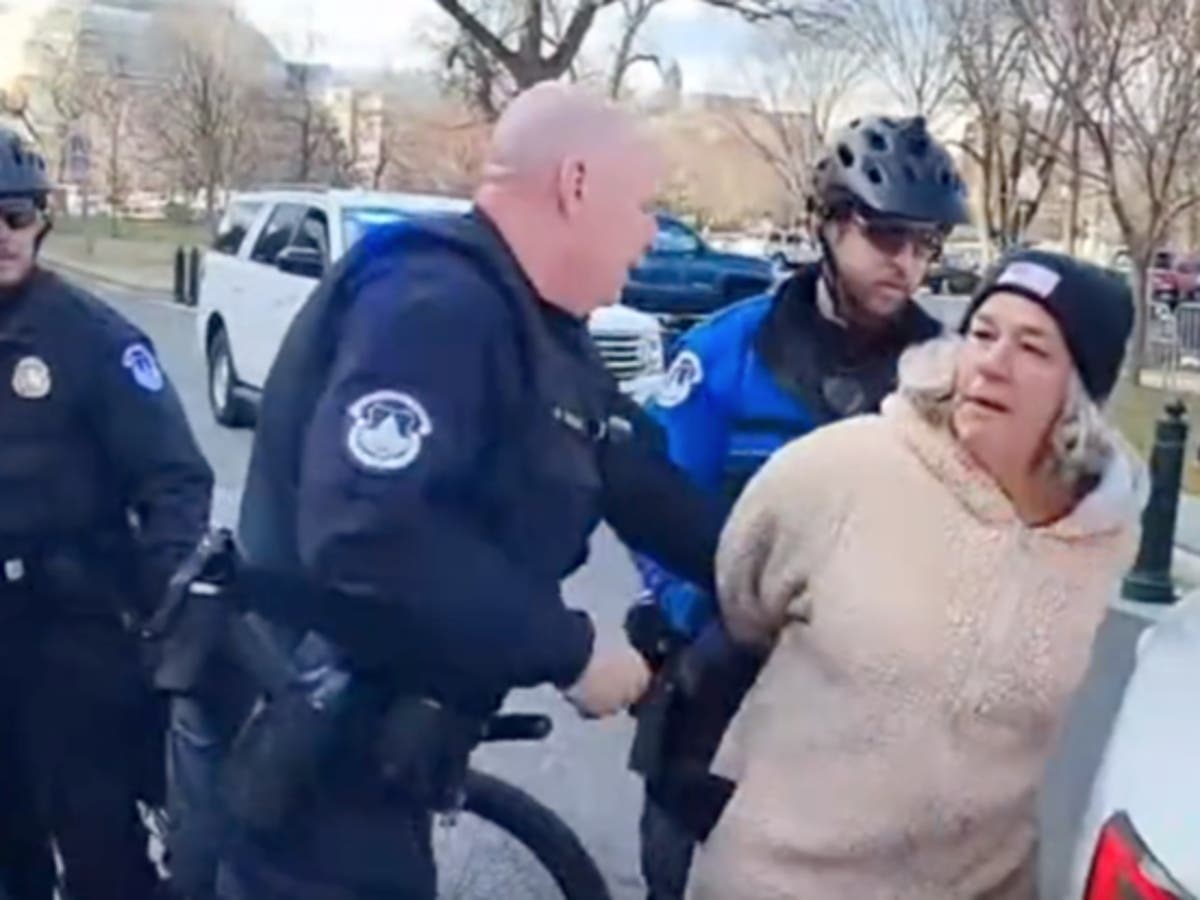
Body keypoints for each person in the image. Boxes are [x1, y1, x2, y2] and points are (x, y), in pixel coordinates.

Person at [215, 82, 727, 899]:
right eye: (643, 206)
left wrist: (763, 567)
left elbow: (630, 473)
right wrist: (570, 648)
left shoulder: (539, 329)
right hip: (320, 770)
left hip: (388, 764)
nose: (651, 235)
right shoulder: (433, 304)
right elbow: (366, 533)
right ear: (577, 184)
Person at [687, 250, 1145, 899]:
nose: (992, 362)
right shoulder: (842, 470)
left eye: (1033, 348)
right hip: (778, 879)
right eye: (982, 334)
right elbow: (743, 594)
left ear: (1080, 396)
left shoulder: (1107, 546)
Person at [630, 114, 970, 899]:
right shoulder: (725, 350)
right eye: (888, 236)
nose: (909, 264)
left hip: (870, 699)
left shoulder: (947, 377)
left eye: (927, 245)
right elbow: (654, 500)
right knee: (677, 870)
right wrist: (691, 614)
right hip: (722, 670)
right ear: (828, 223)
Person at [0, 126, 214, 899]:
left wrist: (166, 603)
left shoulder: (91, 340)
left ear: (41, 221)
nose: (3, 233)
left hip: (74, 638)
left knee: (100, 857)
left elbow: (175, 481)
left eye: (17, 215)